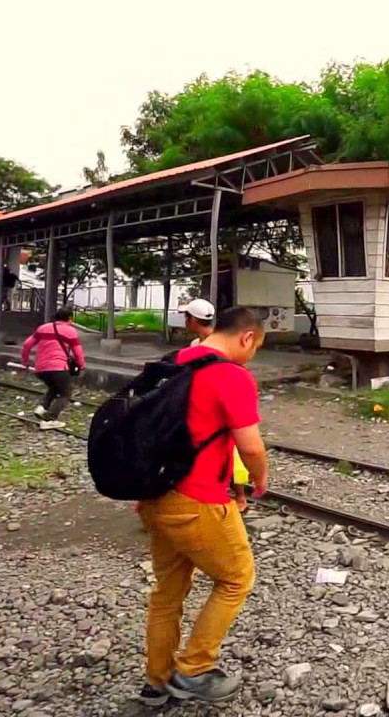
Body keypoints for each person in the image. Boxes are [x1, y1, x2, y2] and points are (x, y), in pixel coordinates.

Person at [137, 306, 269, 706]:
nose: (253, 355)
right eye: (256, 347)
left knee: (168, 593)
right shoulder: (230, 375)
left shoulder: (171, 364)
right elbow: (249, 445)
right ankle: (194, 669)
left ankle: (157, 684)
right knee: (236, 579)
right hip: (198, 501)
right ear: (247, 337)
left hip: (155, 496)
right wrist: (260, 477)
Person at [177, 297, 249, 512]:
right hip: (218, 403)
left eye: (186, 317)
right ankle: (237, 496)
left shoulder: (202, 347)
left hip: (215, 405)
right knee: (228, 450)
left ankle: (239, 496)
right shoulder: (213, 343)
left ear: (192, 320)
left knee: (227, 451)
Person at [20, 308, 86, 430]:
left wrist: (24, 361)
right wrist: (82, 366)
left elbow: (27, 344)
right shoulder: (70, 331)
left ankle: (42, 408)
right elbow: (78, 351)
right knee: (65, 394)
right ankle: (49, 419)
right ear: (70, 318)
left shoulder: (43, 328)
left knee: (54, 387)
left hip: (40, 368)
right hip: (58, 367)